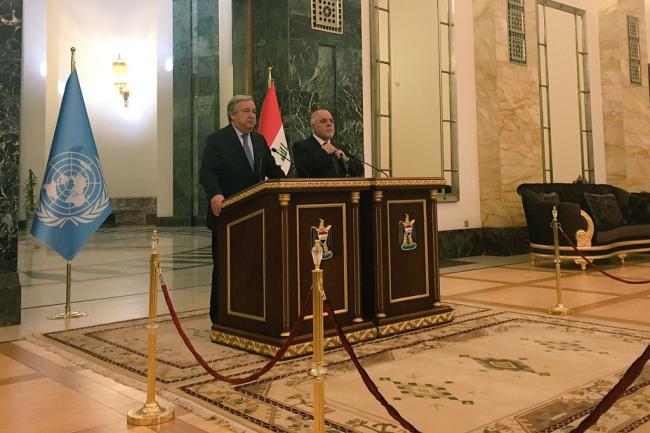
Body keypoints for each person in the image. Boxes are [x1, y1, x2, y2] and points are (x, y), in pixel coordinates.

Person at [199, 95, 285, 324]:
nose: (252, 116)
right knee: (226, 267)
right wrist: (215, 194)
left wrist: (291, 184)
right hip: (228, 215)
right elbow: (207, 172)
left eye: (254, 112)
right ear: (232, 115)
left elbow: (273, 171)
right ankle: (220, 317)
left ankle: (250, 310)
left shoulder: (259, 140)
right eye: (246, 111)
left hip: (257, 217)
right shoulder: (218, 140)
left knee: (253, 267)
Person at [292, 109, 364, 178]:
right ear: (313, 127)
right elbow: (303, 171)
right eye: (323, 121)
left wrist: (346, 159)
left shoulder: (339, 146)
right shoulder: (301, 146)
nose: (329, 124)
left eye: (331, 121)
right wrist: (324, 152)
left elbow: (359, 171)